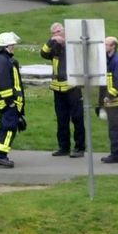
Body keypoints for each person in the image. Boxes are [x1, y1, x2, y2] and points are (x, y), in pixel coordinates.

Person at [41, 22, 86, 158]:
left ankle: (79, 148)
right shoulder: (54, 46)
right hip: (57, 89)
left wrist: (65, 42)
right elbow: (43, 53)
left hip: (73, 88)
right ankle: (63, 147)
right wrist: (51, 41)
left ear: (64, 32)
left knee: (77, 119)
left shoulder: (73, 44)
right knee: (62, 120)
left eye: (58, 33)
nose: (56, 36)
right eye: (53, 34)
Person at [0, 32, 25, 168]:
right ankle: (0, 156)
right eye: (12, 45)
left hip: (9, 102)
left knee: (7, 128)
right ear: (6, 46)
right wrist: (10, 102)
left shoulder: (4, 60)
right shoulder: (2, 61)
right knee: (8, 128)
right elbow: (4, 83)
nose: (13, 48)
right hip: (8, 102)